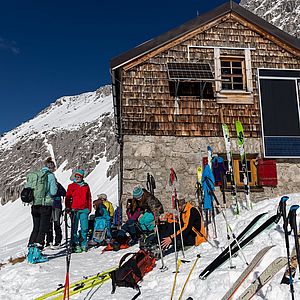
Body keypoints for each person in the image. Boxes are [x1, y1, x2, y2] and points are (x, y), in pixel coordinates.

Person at [27, 157, 58, 263]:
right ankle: (37, 254)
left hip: (34, 205)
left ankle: (30, 253)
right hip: (45, 205)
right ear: (51, 167)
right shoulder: (50, 176)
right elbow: (53, 192)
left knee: (35, 228)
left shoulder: (36, 175)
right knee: (42, 229)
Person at [65, 169, 92, 253]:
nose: (77, 178)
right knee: (74, 228)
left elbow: (89, 198)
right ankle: (75, 244)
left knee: (85, 228)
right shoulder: (71, 186)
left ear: (82, 177)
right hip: (74, 210)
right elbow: (67, 198)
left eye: (79, 176)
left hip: (84, 210)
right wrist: (68, 208)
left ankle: (83, 244)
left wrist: (89, 209)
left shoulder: (86, 186)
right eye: (76, 176)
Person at [45, 182, 66, 249]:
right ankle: (49, 241)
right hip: (50, 206)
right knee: (49, 224)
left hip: (55, 206)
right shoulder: (47, 184)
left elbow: (64, 193)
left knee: (56, 224)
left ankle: (57, 241)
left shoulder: (57, 185)